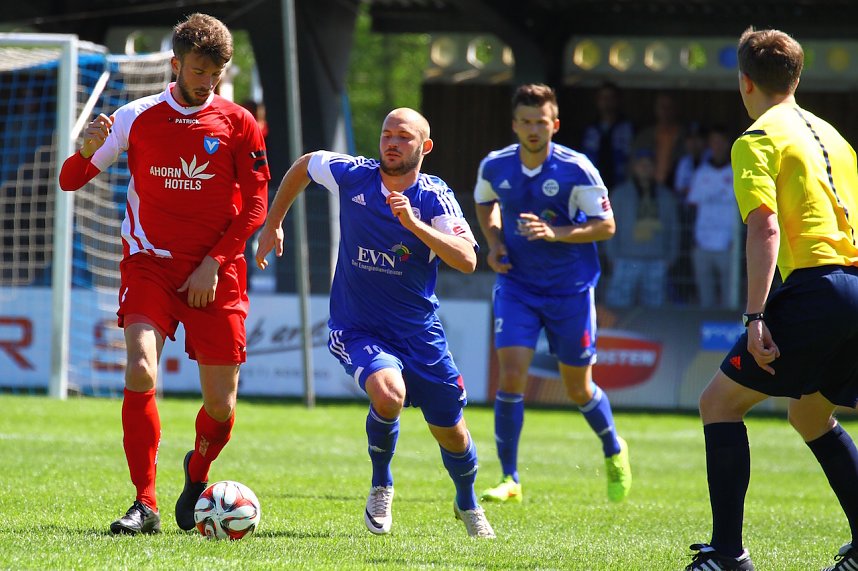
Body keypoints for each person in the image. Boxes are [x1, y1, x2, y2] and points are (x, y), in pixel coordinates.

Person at [58, 13, 270, 535]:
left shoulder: (239, 122)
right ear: (175, 64)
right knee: (141, 369)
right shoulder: (135, 116)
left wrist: (214, 264)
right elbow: (69, 181)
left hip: (217, 274)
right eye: (198, 71)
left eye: (215, 74)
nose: (206, 82)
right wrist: (84, 149)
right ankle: (145, 503)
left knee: (220, 406)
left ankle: (196, 472)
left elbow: (256, 205)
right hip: (148, 263)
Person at [254, 107, 495, 539]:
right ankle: (382, 483)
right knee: (388, 394)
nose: (391, 143)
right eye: (387, 134)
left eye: (403, 137)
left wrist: (414, 224)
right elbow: (306, 164)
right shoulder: (355, 175)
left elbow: (468, 259)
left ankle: (467, 502)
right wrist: (274, 222)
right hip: (357, 327)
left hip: (420, 334)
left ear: (425, 147)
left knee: (453, 434)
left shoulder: (434, 196)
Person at [685, 28, 858, 571]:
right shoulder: (836, 138)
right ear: (797, 78)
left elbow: (764, 228)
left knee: (719, 403)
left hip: (817, 289)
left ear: (744, 82)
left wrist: (756, 315)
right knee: (810, 415)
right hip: (854, 284)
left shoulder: (757, 139)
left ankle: (728, 555)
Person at [473, 83, 632, 505]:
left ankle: (614, 448)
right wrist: (494, 242)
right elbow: (485, 203)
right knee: (511, 374)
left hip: (570, 291)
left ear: (554, 125)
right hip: (517, 285)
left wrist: (555, 232)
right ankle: (510, 478)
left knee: (578, 389)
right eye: (525, 122)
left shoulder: (577, 170)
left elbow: (606, 226)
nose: (532, 129)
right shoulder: (495, 166)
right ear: (514, 125)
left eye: (540, 122)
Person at [604, 148, 679, 308]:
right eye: (641, 165)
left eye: (649, 165)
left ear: (654, 168)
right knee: (618, 307)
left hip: (657, 260)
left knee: (655, 309)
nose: (645, 168)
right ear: (634, 167)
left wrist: (670, 257)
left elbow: (674, 228)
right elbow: (609, 225)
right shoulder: (619, 194)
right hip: (625, 259)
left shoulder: (666, 196)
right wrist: (613, 256)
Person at [686, 125, 738, 308]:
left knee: (730, 297)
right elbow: (691, 208)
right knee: (705, 297)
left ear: (728, 144)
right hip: (703, 243)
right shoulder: (701, 173)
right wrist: (693, 238)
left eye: (721, 141)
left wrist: (739, 240)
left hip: (729, 245)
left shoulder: (737, 172)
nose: (717, 146)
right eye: (713, 141)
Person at [580, 81, 635, 191]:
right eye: (603, 98)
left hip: (622, 185)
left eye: (611, 98)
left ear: (618, 100)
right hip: (593, 185)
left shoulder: (628, 128)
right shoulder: (589, 129)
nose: (607, 102)